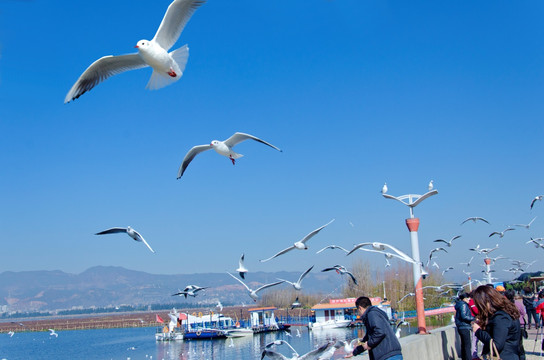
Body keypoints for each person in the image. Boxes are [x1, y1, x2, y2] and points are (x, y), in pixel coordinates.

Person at [471, 285, 521, 360]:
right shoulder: (506, 312)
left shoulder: (500, 317)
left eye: (479, 305)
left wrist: (478, 331)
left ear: (486, 302)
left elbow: (496, 345)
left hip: (504, 356)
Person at [455, 292, 475, 360]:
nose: (469, 299)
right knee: (467, 345)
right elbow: (464, 316)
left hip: (461, 326)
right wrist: (474, 318)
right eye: (468, 298)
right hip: (464, 326)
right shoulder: (463, 305)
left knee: (464, 344)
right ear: (464, 299)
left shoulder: (459, 304)